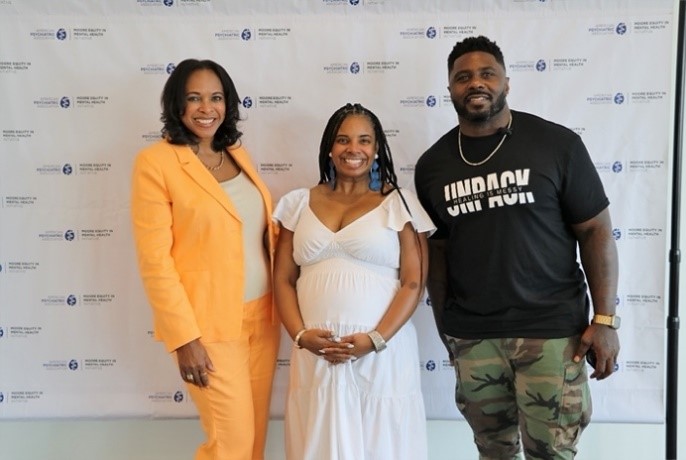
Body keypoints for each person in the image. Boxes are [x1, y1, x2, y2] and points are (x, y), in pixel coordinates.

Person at [414, 36, 620, 460]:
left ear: (506, 81)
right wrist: (445, 329)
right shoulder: (433, 166)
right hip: (474, 338)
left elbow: (596, 230)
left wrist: (604, 319)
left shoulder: (556, 145)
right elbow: (438, 253)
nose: (476, 83)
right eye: (463, 76)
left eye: (487, 73)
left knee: (552, 454)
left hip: (551, 334)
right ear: (449, 88)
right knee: (493, 454)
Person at [130, 58, 280, 460]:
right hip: (208, 328)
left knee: (253, 442)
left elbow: (254, 232)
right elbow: (155, 261)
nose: (206, 108)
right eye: (194, 98)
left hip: (262, 319)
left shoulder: (236, 153)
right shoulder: (156, 163)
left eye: (215, 98)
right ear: (177, 104)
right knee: (229, 444)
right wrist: (185, 340)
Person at [272, 103, 434, 460]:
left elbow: (413, 282)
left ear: (377, 149)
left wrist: (374, 341)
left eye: (364, 140)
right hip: (316, 355)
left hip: (381, 354)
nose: (353, 149)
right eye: (343, 139)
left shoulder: (400, 202)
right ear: (329, 147)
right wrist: (300, 336)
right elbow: (282, 279)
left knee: (381, 445)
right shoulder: (298, 203)